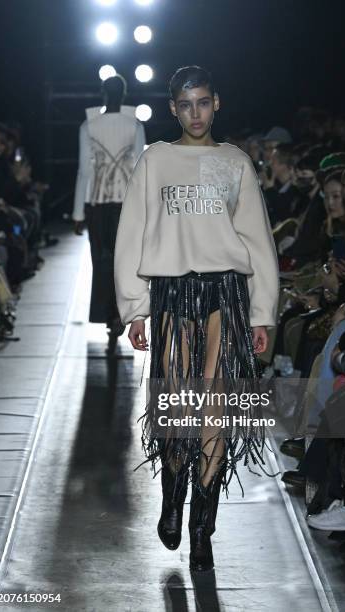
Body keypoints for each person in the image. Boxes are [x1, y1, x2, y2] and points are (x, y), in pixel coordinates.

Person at [113, 65, 279, 572]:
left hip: (225, 289)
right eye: (186, 105)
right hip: (171, 290)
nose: (196, 113)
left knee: (215, 408)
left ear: (217, 103)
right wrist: (134, 306)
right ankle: (172, 495)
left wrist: (262, 313)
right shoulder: (155, 161)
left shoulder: (235, 164)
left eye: (203, 102)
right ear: (173, 109)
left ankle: (203, 526)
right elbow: (133, 232)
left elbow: (257, 240)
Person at [72, 74, 146, 353]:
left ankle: (108, 314)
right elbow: (140, 169)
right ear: (124, 94)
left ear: (103, 93)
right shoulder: (134, 125)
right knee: (123, 261)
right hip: (126, 202)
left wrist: (78, 211)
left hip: (97, 203)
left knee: (102, 260)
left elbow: (85, 170)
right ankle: (117, 314)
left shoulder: (89, 126)